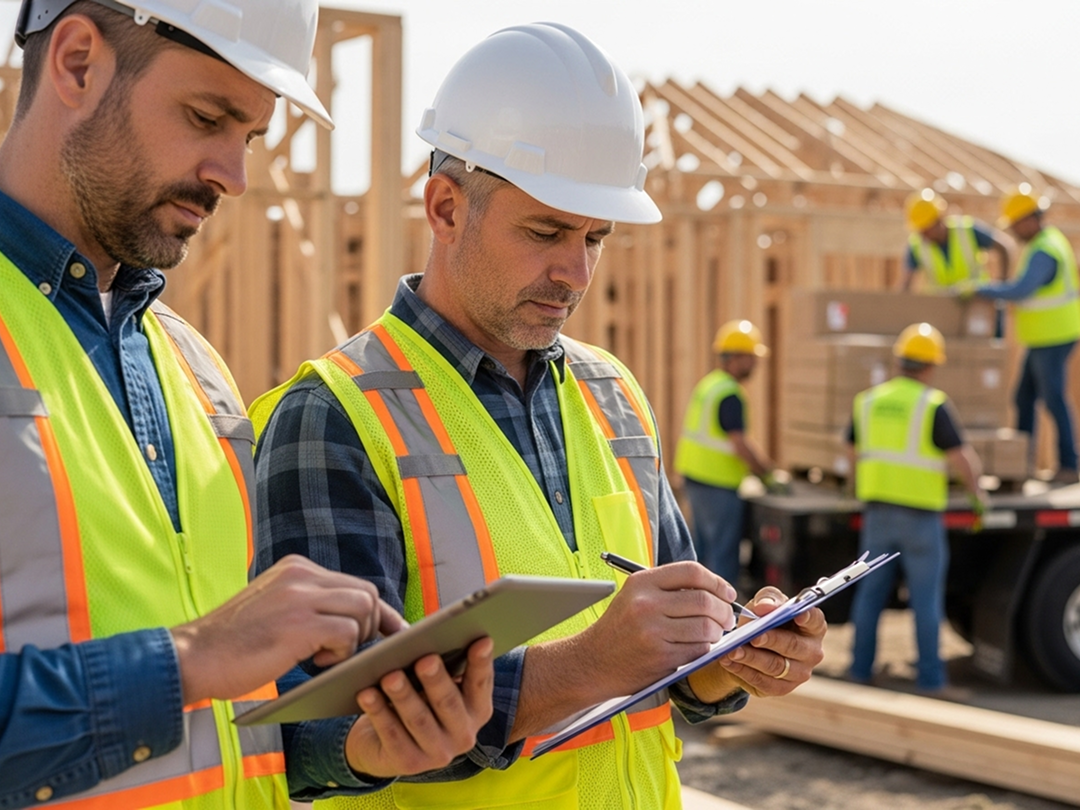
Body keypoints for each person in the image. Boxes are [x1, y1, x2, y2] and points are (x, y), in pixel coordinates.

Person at [251, 23, 827, 809]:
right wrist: (589, 662)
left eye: (596, 237)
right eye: (546, 231)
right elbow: (313, 735)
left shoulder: (612, 393)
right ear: (447, 207)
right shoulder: (333, 414)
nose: (575, 272)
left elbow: (669, 664)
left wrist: (727, 658)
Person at [0, 2, 493, 807]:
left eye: (251, 137)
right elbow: (204, 663)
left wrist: (366, 748)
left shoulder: (196, 371)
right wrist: (190, 657)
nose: (235, 173)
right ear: (79, 62)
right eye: (206, 117)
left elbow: (233, 731)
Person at [845, 323, 986, 698]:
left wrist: (854, 488)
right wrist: (978, 498)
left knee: (870, 594)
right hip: (921, 517)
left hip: (878, 513)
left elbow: (850, 449)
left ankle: (859, 671)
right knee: (926, 599)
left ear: (899, 361)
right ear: (930, 366)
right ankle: (930, 680)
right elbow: (962, 458)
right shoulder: (932, 403)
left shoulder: (868, 400)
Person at [967, 185, 1080, 485]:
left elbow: (1021, 290)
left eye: (1015, 223)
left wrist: (981, 289)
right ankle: (1020, 463)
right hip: (1044, 336)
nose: (1014, 230)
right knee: (1025, 397)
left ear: (1030, 219)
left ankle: (1069, 464)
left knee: (1053, 398)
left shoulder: (1045, 250)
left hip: (1054, 335)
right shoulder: (1044, 243)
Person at [674, 319, 784, 586]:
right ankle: (724, 621)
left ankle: (698, 614)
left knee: (701, 554)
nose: (756, 364)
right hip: (717, 485)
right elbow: (740, 444)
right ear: (735, 358)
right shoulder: (729, 394)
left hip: (697, 479)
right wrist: (768, 474)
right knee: (723, 557)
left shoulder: (710, 385)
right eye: (751, 357)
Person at [901, 188, 1011, 293]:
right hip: (940, 306)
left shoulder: (967, 230)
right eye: (920, 230)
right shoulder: (916, 245)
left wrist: (1001, 286)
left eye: (926, 229)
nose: (923, 235)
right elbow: (906, 284)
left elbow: (1003, 248)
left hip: (975, 301)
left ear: (938, 220)